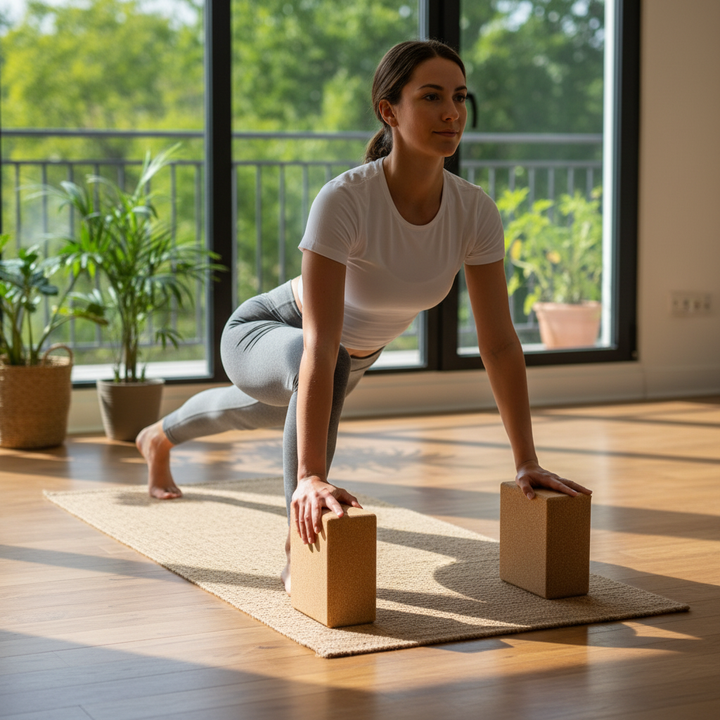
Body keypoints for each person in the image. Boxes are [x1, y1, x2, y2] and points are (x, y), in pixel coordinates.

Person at [137, 39, 591, 593]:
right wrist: (309, 477)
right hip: (270, 329)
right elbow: (318, 348)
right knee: (311, 385)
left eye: (460, 97)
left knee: (253, 413)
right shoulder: (346, 200)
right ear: (389, 110)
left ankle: (158, 437)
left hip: (345, 358)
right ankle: (297, 548)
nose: (451, 112)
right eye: (430, 97)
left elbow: (498, 345)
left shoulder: (474, 210)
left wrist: (527, 461)